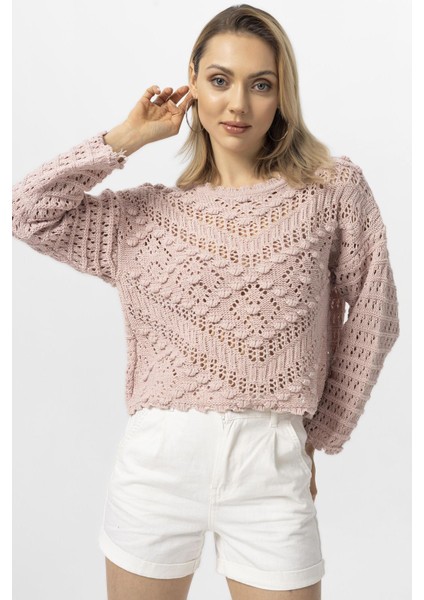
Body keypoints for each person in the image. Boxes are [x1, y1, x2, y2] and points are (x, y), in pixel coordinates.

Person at [12, 4, 400, 600]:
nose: (238, 104)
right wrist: (127, 138)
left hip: (271, 468)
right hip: (156, 470)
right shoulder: (143, 217)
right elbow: (29, 212)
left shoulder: (331, 190)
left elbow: (375, 313)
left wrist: (317, 434)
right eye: (220, 80)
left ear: (282, 95)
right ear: (192, 82)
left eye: (260, 84)